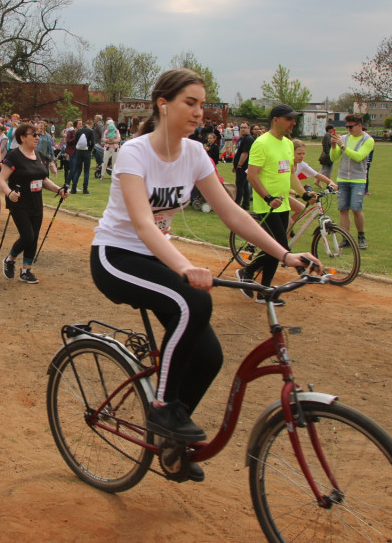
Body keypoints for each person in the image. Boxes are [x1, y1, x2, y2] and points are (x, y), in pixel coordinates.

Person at [90, 70, 318, 476]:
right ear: (164, 104)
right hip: (116, 256)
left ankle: (171, 445)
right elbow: (143, 225)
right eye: (190, 103)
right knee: (194, 300)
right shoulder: (134, 152)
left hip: (157, 257)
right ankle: (163, 408)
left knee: (209, 356)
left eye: (202, 104)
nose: (200, 112)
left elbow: (232, 212)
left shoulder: (195, 154)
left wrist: (285, 255)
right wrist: (184, 265)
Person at [238, 104, 311, 305]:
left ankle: (264, 291)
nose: (293, 123)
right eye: (289, 119)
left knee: (275, 248)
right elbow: (251, 176)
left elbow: (291, 174)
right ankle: (248, 271)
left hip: (284, 204)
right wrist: (268, 197)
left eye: (294, 119)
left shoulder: (288, 144)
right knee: (281, 247)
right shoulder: (261, 143)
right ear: (276, 120)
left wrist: (304, 194)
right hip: (267, 206)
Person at [0, 122, 69, 284]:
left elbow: (43, 179)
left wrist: (59, 190)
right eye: (34, 134)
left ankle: (26, 271)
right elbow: (1, 179)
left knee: (34, 236)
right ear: (23, 138)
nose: (38, 137)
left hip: (36, 203)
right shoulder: (13, 156)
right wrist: (9, 194)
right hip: (19, 202)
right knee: (27, 236)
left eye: (38, 134)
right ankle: (10, 259)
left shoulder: (38, 154)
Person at [330, 113, 374, 249]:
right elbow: (333, 158)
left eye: (351, 127)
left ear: (359, 126)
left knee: (356, 209)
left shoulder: (368, 140)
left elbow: (358, 157)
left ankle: (361, 236)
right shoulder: (344, 138)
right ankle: (346, 238)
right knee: (343, 209)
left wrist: (342, 146)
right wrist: (333, 146)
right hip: (342, 178)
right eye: (347, 127)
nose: (348, 129)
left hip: (358, 179)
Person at [288, 139, 337, 221]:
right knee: (287, 223)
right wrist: (296, 192)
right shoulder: (286, 164)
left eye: (303, 153)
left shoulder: (301, 164)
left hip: (285, 193)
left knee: (303, 210)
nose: (302, 156)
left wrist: (330, 182)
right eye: (299, 154)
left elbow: (316, 174)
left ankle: (286, 230)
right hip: (279, 194)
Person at [68, 118, 95, 194]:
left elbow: (76, 141)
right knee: (86, 171)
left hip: (79, 152)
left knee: (78, 170)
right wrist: (90, 149)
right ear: (89, 125)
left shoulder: (79, 131)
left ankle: (74, 188)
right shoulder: (90, 131)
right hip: (87, 152)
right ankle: (85, 189)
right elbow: (92, 142)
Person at [231, 122, 254, 209]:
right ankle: (246, 204)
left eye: (245, 127)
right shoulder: (243, 138)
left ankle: (237, 204)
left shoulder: (248, 139)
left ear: (249, 129)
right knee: (244, 185)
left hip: (243, 166)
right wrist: (235, 165)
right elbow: (238, 152)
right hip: (240, 165)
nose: (243, 129)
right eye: (241, 128)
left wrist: (239, 165)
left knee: (240, 185)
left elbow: (245, 153)